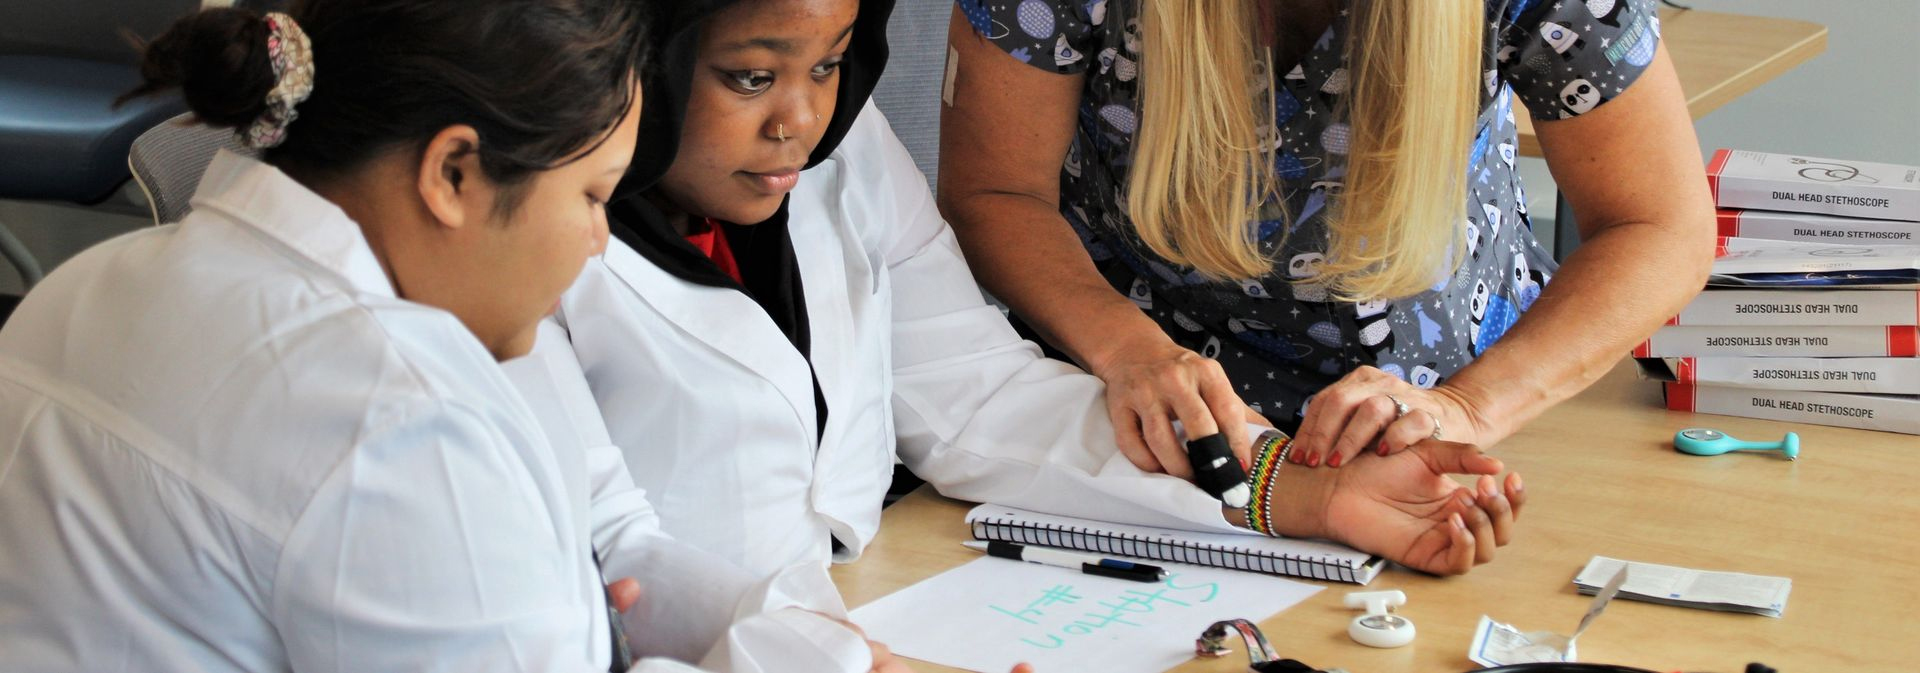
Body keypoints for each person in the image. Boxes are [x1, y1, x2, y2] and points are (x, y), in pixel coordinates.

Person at [0, 2, 903, 671]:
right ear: (453, 172)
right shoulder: (395, 414)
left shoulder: (86, 287)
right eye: (591, 197)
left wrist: (796, 644)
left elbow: (604, 523)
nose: (599, 241)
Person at [537, 0, 1523, 582]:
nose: (800, 117)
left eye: (832, 64)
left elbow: (981, 397)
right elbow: (600, 547)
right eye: (751, 77)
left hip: (872, 604)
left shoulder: (840, 160)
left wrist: (1307, 495)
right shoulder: (526, 247)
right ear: (643, 57)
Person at [937, 0, 1716, 472]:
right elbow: (994, 190)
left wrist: (1468, 408)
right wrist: (1128, 351)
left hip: (1459, 401)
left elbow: (1660, 224)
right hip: (1141, 401)